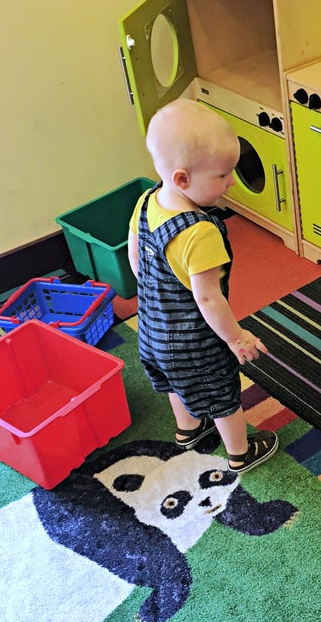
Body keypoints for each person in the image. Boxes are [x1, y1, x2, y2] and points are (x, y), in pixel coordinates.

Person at [128, 99, 278, 474]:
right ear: (182, 179)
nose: (231, 182)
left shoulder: (148, 201)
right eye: (223, 175)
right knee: (224, 395)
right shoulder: (199, 232)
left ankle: (188, 430)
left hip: (151, 328)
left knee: (174, 382)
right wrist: (234, 337)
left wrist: (154, 296)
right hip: (196, 340)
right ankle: (241, 453)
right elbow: (208, 297)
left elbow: (135, 256)